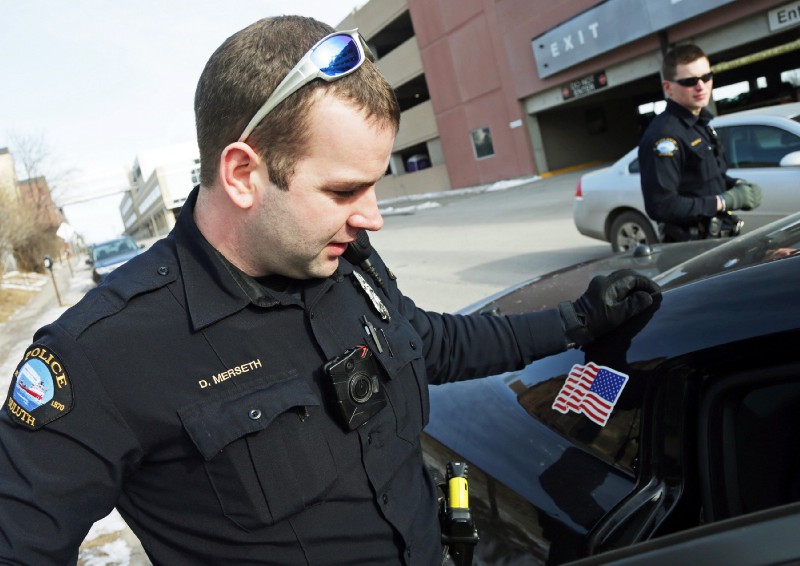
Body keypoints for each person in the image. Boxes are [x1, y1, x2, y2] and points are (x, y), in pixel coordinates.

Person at [0, 16, 660, 565]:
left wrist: (578, 320)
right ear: (241, 175)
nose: (371, 215)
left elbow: (430, 341)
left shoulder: (341, 257)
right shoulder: (104, 354)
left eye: (374, 184)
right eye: (344, 190)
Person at [639, 43, 762, 242]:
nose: (701, 86)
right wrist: (723, 202)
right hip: (691, 247)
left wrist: (737, 186)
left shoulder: (701, 125)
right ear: (668, 88)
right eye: (690, 81)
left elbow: (705, 181)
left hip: (718, 239)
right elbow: (661, 205)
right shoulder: (665, 136)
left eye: (706, 77)